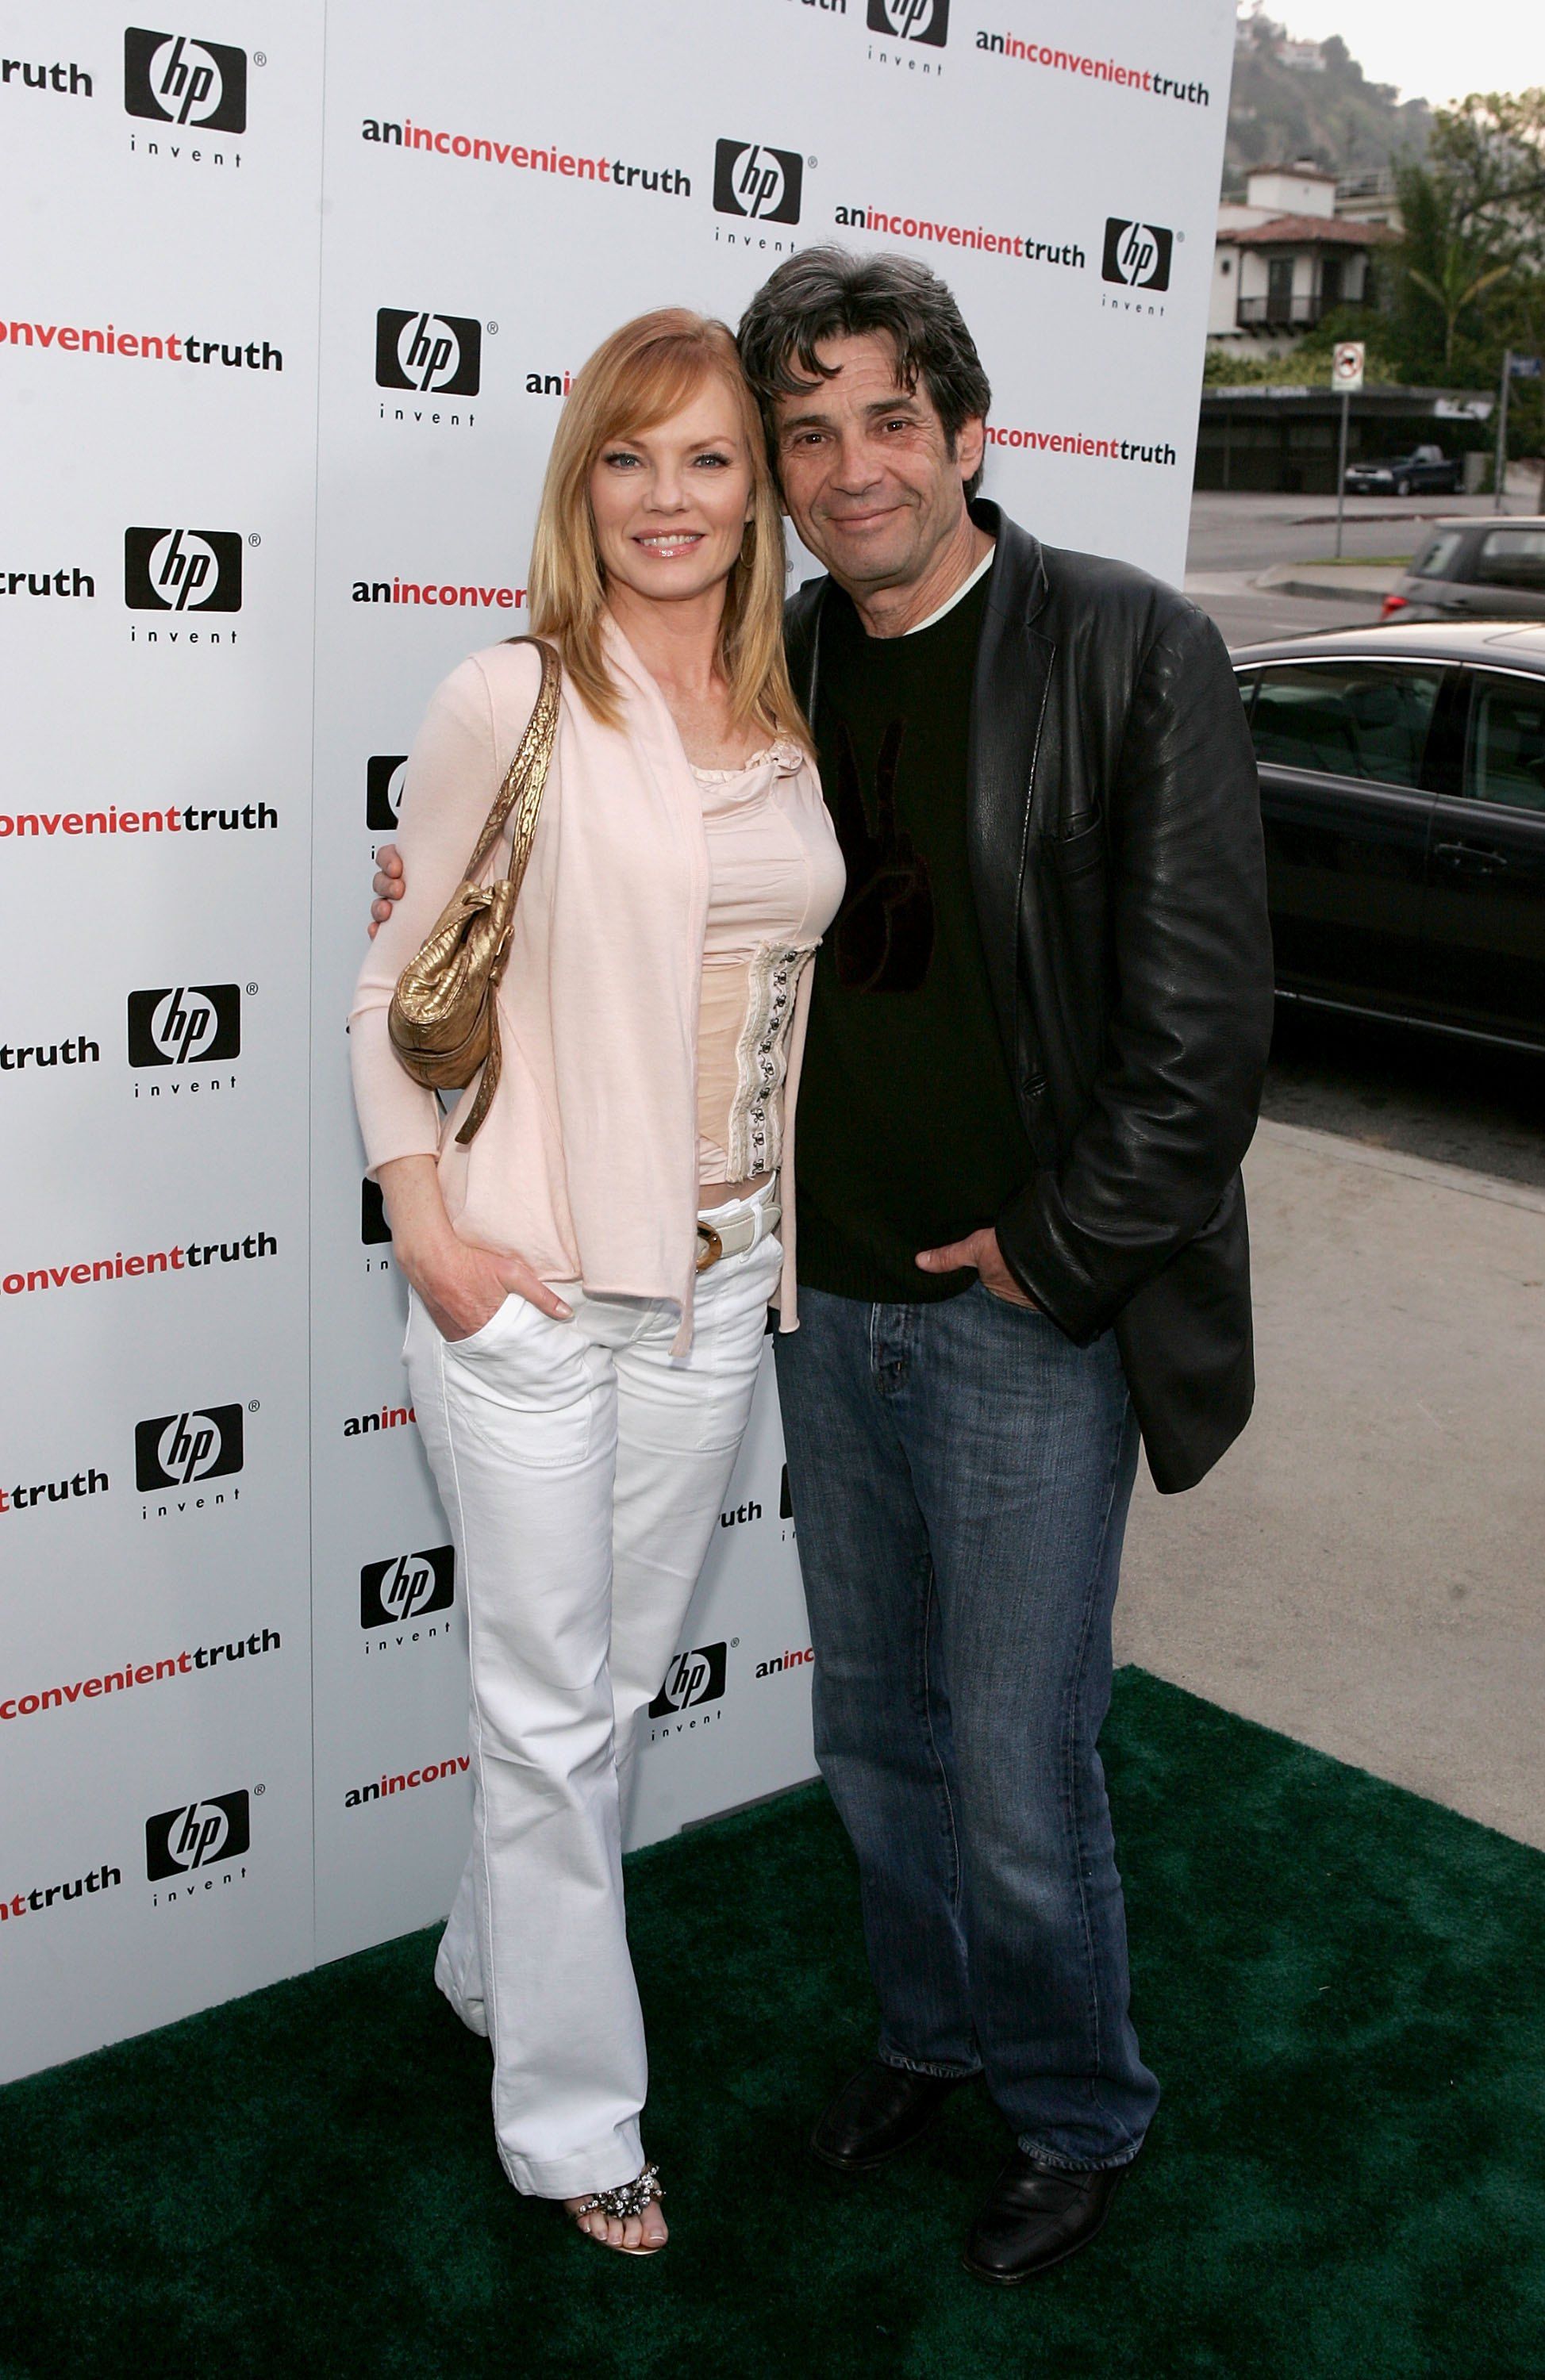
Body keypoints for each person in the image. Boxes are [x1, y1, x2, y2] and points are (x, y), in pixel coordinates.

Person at [372, 249, 1274, 2285]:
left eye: (886, 421)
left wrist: (1052, 1255)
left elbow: (1202, 1036)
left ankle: (1069, 2110)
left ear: (968, 436)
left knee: (1019, 1759)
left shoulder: (1125, 648)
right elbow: (502, 933)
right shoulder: (746, 664)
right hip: (798, 1294)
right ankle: (924, 2035)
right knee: (866, 1728)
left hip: (1015, 1308)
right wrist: (427, 1082)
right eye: (805, 431)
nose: (844, 466)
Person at [352, 309, 844, 2256]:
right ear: (581, 486)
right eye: (627, 459)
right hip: (537, 1284)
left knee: (608, 1695)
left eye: (708, 458)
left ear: (757, 492)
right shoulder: (512, 698)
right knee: (551, 1718)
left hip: (722, 1279)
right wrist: (431, 1230)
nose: (669, 498)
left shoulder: (783, 708)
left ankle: (492, 1971)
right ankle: (572, 2125)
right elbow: (395, 986)